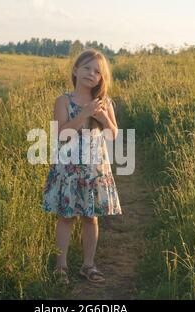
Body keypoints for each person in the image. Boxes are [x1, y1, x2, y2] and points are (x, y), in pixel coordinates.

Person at [42, 48, 122, 285]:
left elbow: (113, 135)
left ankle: (88, 265)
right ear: (75, 70)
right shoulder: (63, 101)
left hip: (94, 169)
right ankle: (61, 267)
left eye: (97, 71)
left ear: (101, 78)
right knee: (66, 217)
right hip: (68, 168)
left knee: (90, 218)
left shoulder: (104, 102)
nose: (91, 73)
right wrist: (85, 113)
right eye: (86, 67)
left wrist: (102, 117)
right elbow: (62, 133)